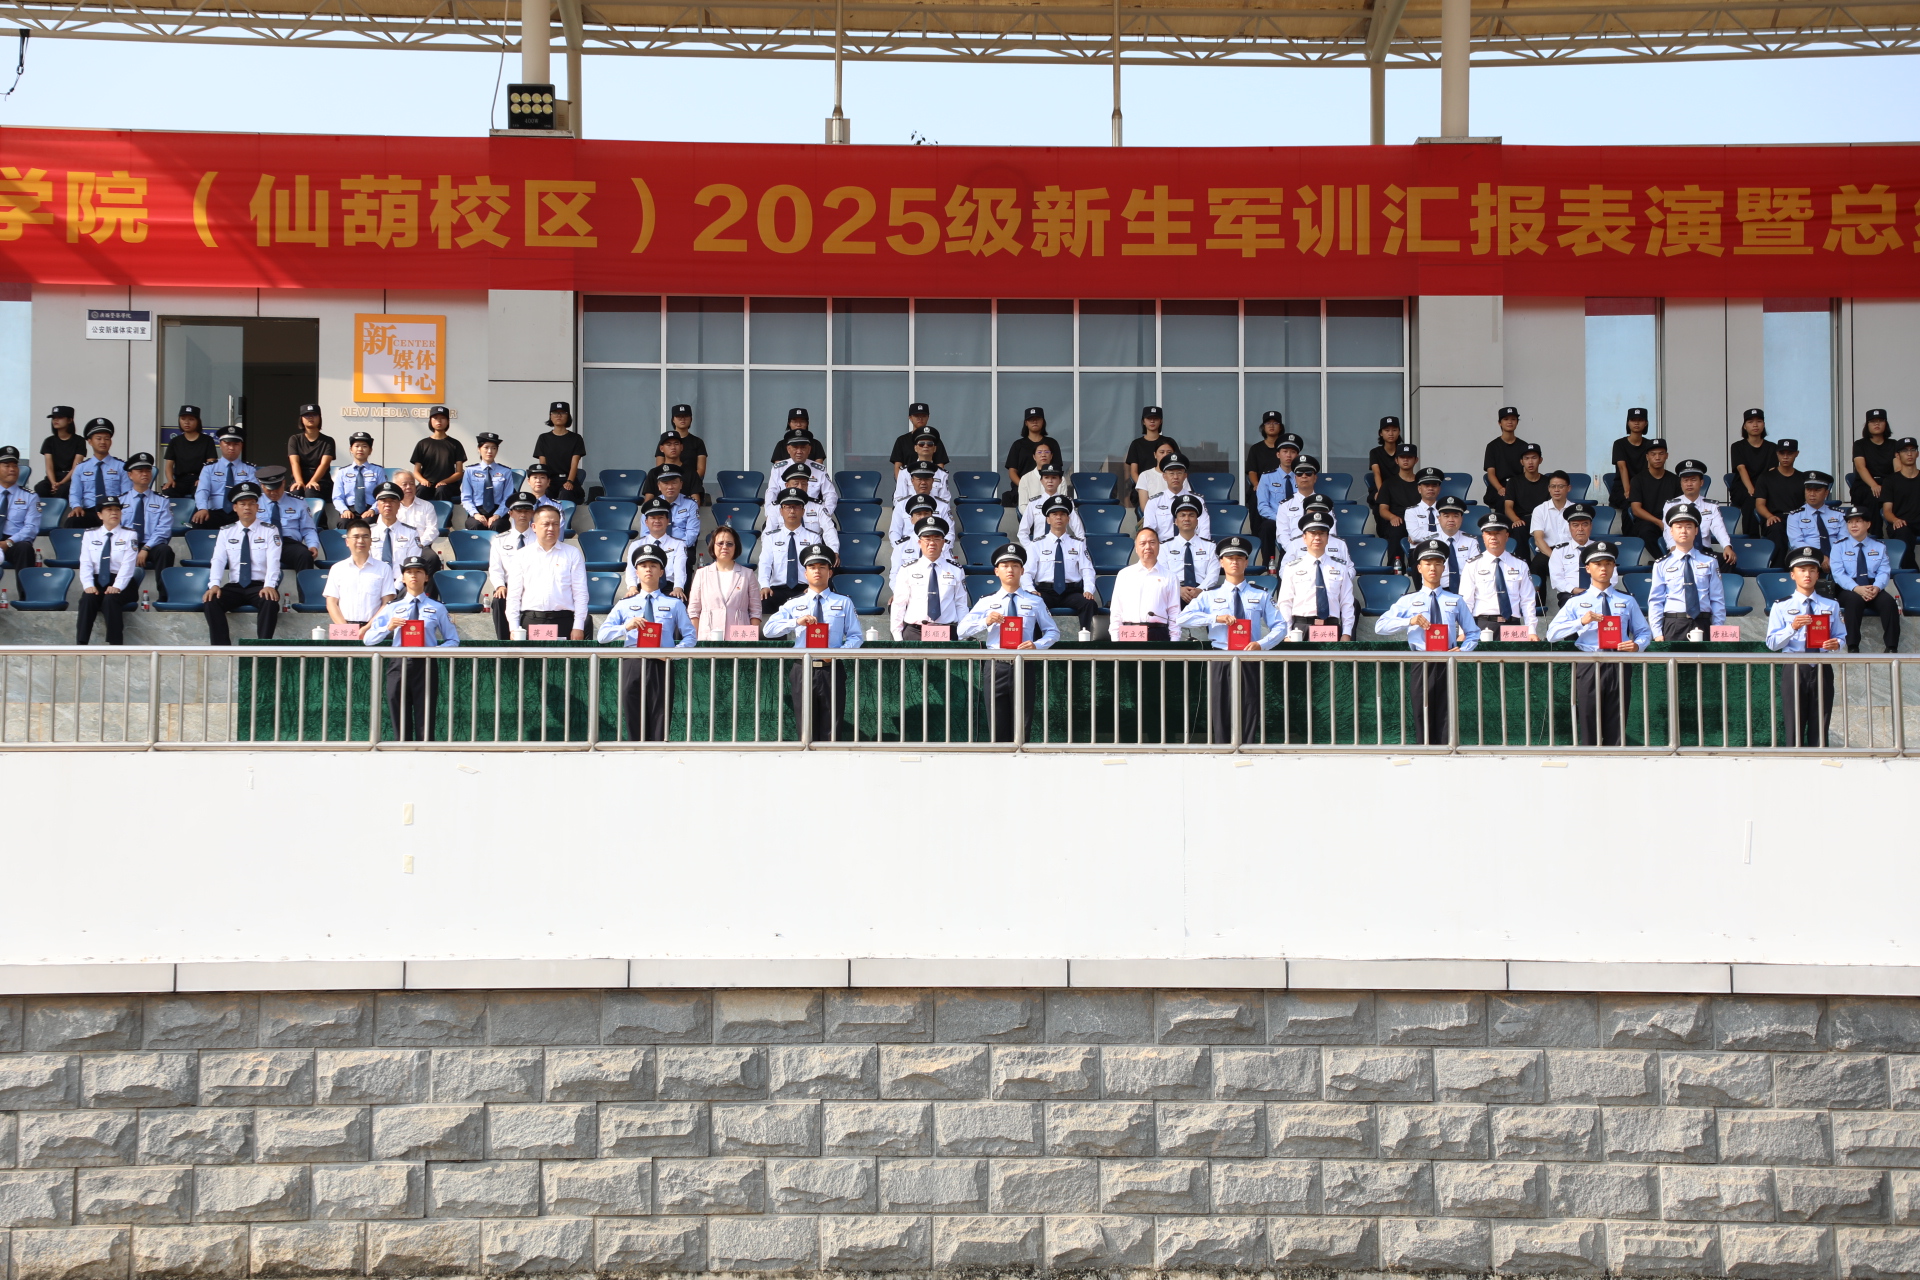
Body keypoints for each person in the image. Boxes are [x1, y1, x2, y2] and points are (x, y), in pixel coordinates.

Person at [1373, 537, 1480, 745]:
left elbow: (1473, 632)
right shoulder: (1408, 600)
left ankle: (1448, 752)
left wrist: (1464, 650)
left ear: (1444, 568)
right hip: (1421, 660)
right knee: (1422, 710)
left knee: (1447, 712)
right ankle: (1424, 752)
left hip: (1448, 660)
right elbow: (1380, 626)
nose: (1433, 568)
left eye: (1438, 563)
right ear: (1419, 568)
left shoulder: (1455, 600)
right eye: (1428, 563)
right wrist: (1409, 621)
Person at [1176, 535, 1283, 744]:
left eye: (1239, 558)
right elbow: (1182, 618)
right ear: (1221, 562)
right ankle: (1222, 749)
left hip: (1250, 656)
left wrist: (1262, 644)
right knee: (1220, 706)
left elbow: (1280, 625)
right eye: (1230, 558)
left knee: (1250, 705)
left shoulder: (1260, 594)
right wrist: (1215, 618)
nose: (1234, 562)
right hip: (1221, 657)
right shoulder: (1209, 595)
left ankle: (1248, 747)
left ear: (1246, 562)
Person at [1546, 541, 1653, 746]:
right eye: (1597, 564)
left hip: (1619, 662)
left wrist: (1637, 646)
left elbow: (1644, 632)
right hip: (1590, 662)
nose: (1603, 568)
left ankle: (1615, 758)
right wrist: (1581, 622)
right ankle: (1590, 758)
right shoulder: (1575, 602)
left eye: (1608, 564)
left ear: (1614, 567)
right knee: (1589, 717)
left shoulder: (1627, 600)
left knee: (1617, 717)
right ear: (1588, 568)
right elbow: (1552, 634)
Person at [960, 543, 1059, 739]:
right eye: (1005, 566)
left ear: (1022, 570)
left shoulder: (1035, 601)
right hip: (996, 664)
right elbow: (961, 631)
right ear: (996, 571)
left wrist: (1037, 645)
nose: (1010, 570)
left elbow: (1053, 631)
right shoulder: (987, 601)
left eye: (1015, 565)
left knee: (1023, 720)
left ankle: (1021, 755)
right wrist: (985, 621)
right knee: (996, 721)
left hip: (1024, 662)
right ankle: (998, 756)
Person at [599, 543, 696, 741]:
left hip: (661, 663)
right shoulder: (625, 604)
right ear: (636, 572)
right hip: (633, 662)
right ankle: (634, 752)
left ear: (661, 571)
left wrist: (673, 654)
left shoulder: (674, 603)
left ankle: (658, 753)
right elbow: (602, 636)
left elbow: (690, 636)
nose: (648, 569)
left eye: (653, 565)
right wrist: (626, 627)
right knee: (633, 711)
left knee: (660, 714)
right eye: (643, 566)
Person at [763, 544, 862, 739]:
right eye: (812, 567)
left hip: (831, 668)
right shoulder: (793, 603)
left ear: (830, 572)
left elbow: (856, 636)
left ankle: (830, 756)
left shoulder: (843, 602)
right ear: (805, 573)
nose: (817, 571)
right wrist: (795, 622)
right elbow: (768, 630)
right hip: (803, 668)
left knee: (832, 725)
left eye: (822, 567)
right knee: (805, 725)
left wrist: (837, 654)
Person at [363, 556, 460, 741]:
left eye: (418, 571)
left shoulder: (437, 607)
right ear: (403, 578)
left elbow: (453, 640)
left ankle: (426, 752)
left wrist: (434, 650)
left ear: (426, 577)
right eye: (408, 572)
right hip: (398, 665)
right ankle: (401, 752)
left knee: (425, 716)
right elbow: (368, 640)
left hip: (425, 665)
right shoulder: (392, 607)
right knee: (398, 715)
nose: (413, 575)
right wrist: (388, 628)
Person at [1766, 545, 1846, 747]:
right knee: (1794, 723)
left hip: (1821, 666)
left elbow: (1841, 636)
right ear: (1793, 575)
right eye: (1802, 570)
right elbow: (1772, 643)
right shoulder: (1781, 605)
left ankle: (1819, 761)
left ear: (1818, 574)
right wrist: (1792, 628)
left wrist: (1836, 643)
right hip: (1794, 666)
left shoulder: (1831, 605)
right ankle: (1794, 762)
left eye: (1812, 570)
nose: (1807, 575)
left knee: (1821, 722)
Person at [201, 481, 282, 645]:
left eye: (251, 504)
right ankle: (222, 649)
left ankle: (263, 648)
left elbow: (274, 560)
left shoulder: (270, 530)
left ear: (257, 507)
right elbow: (218, 560)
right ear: (235, 508)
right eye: (242, 504)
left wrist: (270, 585)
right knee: (211, 601)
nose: (247, 508)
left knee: (270, 602)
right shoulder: (226, 531)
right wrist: (214, 584)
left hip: (259, 585)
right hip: (235, 586)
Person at [1270, 511, 1354, 643]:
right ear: (1304, 537)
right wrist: (1286, 633)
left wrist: (1346, 633)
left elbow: (1347, 602)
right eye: (1313, 533)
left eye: (1321, 533)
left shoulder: (1340, 567)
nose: (1317, 538)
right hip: (1301, 628)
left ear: (1327, 537)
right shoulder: (1292, 567)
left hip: (1331, 627)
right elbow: (1285, 603)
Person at [507, 505, 588, 640]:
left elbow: (580, 592)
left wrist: (578, 626)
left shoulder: (572, 553)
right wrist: (514, 627)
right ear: (534, 527)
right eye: (546, 524)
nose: (551, 528)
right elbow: (514, 595)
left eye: (555, 524)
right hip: (532, 620)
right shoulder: (522, 555)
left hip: (564, 621)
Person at [1646, 503, 1726, 641]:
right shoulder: (1661, 564)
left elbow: (1717, 599)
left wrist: (1717, 629)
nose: (1683, 531)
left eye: (1688, 527)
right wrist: (1657, 632)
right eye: (1679, 527)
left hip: (1703, 622)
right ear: (1671, 531)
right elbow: (1656, 601)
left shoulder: (1710, 562)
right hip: (1673, 624)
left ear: (1696, 531)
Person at [1458, 512, 1539, 639]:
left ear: (1507, 536)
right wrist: (1463, 632)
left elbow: (1528, 601)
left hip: (1513, 625)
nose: (1493, 537)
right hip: (1483, 625)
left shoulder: (1520, 564)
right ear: (1483, 537)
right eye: (1489, 534)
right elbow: (1466, 602)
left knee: (1514, 654)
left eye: (1497, 533)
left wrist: (1531, 630)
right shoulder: (1472, 565)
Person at [1831, 504, 1900, 654]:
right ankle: (1853, 646)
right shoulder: (1838, 546)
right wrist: (1856, 588)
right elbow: (1838, 573)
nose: (1853, 525)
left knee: (1888, 603)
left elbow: (1884, 571)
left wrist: (1877, 587)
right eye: (1850, 522)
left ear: (1868, 524)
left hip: (1872, 586)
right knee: (1854, 601)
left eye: (1858, 521)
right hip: (1848, 588)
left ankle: (1891, 647)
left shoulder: (1879, 546)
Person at [1026, 496, 1099, 633]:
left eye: (1062, 514)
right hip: (1045, 591)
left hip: (1071, 592)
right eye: (1054, 514)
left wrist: (1088, 590)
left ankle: (1086, 641)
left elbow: (1087, 570)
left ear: (1068, 519)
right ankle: (1035, 641)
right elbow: (1027, 572)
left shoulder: (1078, 543)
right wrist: (1031, 590)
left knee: (1089, 604)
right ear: (1048, 519)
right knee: (1032, 604)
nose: (1058, 517)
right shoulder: (1036, 544)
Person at [888, 517, 969, 640]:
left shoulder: (956, 570)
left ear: (943, 542)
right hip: (915, 632)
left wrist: (962, 635)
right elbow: (899, 604)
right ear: (919, 542)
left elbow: (961, 604)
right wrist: (897, 636)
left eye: (936, 539)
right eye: (927, 539)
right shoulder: (907, 569)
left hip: (947, 631)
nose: (932, 543)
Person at [761, 488, 837, 614]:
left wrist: (814, 587)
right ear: (781, 511)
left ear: (803, 511)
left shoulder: (813, 537)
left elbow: (816, 566)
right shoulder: (771, 537)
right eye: (788, 507)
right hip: (777, 589)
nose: (792, 511)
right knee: (763, 601)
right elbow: (765, 563)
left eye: (796, 507)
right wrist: (765, 586)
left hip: (804, 589)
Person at [74, 494, 137, 646]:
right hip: (97, 580)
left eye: (117, 509)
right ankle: (81, 644)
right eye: (109, 510)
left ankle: (115, 644)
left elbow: (128, 565)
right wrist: (88, 585)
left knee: (111, 599)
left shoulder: (130, 534)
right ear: (100, 515)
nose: (114, 513)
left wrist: (117, 586)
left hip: (121, 581)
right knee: (87, 599)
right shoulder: (90, 534)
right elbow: (85, 562)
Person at [687, 526, 762, 640]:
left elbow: (755, 610)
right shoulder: (701, 574)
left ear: (736, 547)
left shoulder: (747, 574)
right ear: (713, 546)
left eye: (729, 544)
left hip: (739, 638)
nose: (725, 547)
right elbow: (693, 611)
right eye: (720, 543)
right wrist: (695, 639)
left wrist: (751, 640)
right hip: (708, 636)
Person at [482, 493, 538, 639]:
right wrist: (500, 586)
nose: (523, 514)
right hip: (509, 586)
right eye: (519, 511)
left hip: (534, 585)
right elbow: (495, 568)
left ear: (532, 513)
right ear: (511, 513)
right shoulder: (500, 540)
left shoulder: (540, 538)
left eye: (527, 511)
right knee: (499, 600)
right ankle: (504, 643)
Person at [324, 520, 396, 634]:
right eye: (356, 537)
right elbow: (331, 603)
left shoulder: (384, 568)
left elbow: (387, 603)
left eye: (365, 537)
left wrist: (366, 629)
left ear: (371, 541)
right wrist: (347, 630)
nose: (361, 541)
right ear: (347, 541)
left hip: (373, 629)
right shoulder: (337, 569)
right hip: (343, 629)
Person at [1110, 527, 1180, 640]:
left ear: (1159, 545)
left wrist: (1175, 639)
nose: (1148, 547)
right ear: (1136, 548)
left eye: (1152, 542)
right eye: (1143, 543)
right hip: (1129, 632)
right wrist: (1115, 638)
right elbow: (1116, 610)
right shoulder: (1124, 575)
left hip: (1158, 632)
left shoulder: (1170, 577)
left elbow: (1174, 612)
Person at [120, 454, 174, 599]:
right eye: (140, 471)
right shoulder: (120, 501)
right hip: (127, 545)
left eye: (148, 471)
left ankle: (165, 597)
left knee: (165, 551)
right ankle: (123, 595)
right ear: (130, 475)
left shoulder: (162, 500)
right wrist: (132, 548)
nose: (145, 474)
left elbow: (164, 529)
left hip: (151, 545)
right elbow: (116, 529)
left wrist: (146, 548)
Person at [1660, 460, 1736, 563]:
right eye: (1685, 480)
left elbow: (1719, 528)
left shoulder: (1711, 505)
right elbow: (1668, 530)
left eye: (1693, 480)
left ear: (1701, 482)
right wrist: (1673, 548)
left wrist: (1727, 546)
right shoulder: (1671, 505)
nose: (1689, 484)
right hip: (1680, 549)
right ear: (1681, 483)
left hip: (1704, 551)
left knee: (1728, 561)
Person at [255, 467, 322, 574]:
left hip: (287, 544)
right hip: (261, 542)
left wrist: (312, 545)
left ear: (283, 483)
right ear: (262, 486)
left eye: (276, 488)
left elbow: (308, 529)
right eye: (269, 489)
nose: (273, 492)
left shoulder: (298, 502)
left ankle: (305, 585)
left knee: (304, 555)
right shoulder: (254, 503)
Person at [1253, 431, 1305, 565]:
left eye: (1293, 452)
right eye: (1285, 451)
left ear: (1298, 455)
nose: (1289, 455)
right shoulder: (1267, 477)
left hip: (1298, 520)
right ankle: (1267, 565)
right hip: (1274, 520)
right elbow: (1263, 506)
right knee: (1266, 527)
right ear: (1278, 454)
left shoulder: (1303, 477)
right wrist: (1281, 520)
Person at [64, 419, 127, 528]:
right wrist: (76, 506)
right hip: (90, 511)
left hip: (114, 511)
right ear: (90, 441)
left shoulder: (121, 467)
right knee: (72, 522)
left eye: (107, 438)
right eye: (98, 438)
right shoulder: (81, 468)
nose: (103, 442)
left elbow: (126, 494)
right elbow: (75, 493)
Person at [1755, 438, 1807, 564]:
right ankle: (1778, 569)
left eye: (1789, 453)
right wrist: (1769, 516)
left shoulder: (1803, 478)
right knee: (1776, 529)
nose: (1785, 457)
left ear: (1796, 454)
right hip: (1776, 518)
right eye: (1782, 453)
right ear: (1777, 454)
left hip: (1798, 519)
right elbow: (1759, 504)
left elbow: (1808, 503)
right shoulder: (1766, 477)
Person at [192, 430, 258, 528]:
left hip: (239, 512)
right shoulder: (209, 468)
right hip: (214, 512)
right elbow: (202, 490)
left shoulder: (249, 469)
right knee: (198, 521)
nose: (231, 448)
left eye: (236, 444)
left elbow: (255, 493)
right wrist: (202, 508)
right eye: (227, 443)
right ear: (220, 445)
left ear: (241, 446)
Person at [626, 499, 689, 599]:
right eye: (653, 518)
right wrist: (632, 588)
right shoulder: (636, 545)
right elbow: (631, 569)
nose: (657, 521)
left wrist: (678, 588)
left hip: (669, 588)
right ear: (646, 522)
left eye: (661, 517)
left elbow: (680, 568)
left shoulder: (678, 544)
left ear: (668, 521)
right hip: (642, 587)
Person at [1162, 495, 1218, 605]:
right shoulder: (1165, 547)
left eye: (1191, 515)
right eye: (1182, 515)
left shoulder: (1210, 546)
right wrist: (1178, 589)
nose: (1187, 519)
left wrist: (1200, 590)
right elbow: (1162, 574)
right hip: (1173, 595)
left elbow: (1213, 574)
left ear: (1197, 521)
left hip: (1202, 594)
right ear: (1176, 521)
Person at [1141, 454, 1209, 542]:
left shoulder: (1197, 500)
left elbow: (1204, 529)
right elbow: (1149, 532)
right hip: (1162, 547)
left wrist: (1202, 547)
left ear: (1185, 476)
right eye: (1171, 473)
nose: (1175, 477)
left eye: (1179, 473)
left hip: (1191, 546)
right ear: (1164, 476)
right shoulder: (1154, 501)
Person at [1625, 438, 1680, 546]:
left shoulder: (1675, 480)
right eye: (1653, 454)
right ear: (1647, 457)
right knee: (1646, 531)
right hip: (1647, 521)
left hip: (1670, 520)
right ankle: (1664, 556)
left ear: (1666, 456)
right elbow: (1636, 510)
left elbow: (1679, 505)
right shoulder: (1637, 480)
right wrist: (1658, 522)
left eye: (1661, 454)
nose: (1657, 457)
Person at [1785, 473, 1846, 569]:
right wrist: (1819, 557)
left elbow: (1844, 540)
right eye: (1808, 490)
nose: (1812, 494)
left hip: (1837, 558)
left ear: (1826, 493)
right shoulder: (1795, 516)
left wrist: (1834, 558)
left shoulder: (1839, 515)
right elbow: (1796, 542)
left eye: (1817, 490)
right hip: (1807, 557)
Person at [1730, 408, 1775, 537]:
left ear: (1764, 424)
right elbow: (1741, 468)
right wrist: (1751, 489)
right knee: (1751, 501)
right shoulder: (1737, 446)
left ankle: (1771, 537)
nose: (1755, 425)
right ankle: (1751, 541)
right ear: (1745, 426)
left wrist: (1763, 490)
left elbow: (1772, 471)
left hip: (1765, 485)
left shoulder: (1772, 447)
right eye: (1750, 422)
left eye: (1759, 421)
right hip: (1743, 486)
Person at [366, 482, 428, 576]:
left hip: (401, 581)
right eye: (384, 501)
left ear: (399, 505)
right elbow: (365, 562)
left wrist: (397, 584)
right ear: (377, 505)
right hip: (375, 580)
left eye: (392, 501)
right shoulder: (369, 533)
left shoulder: (411, 533)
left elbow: (412, 565)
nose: (388, 504)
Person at [1851, 408, 1898, 531]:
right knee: (1873, 496)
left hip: (1887, 483)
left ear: (1886, 424)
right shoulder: (1860, 444)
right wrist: (1873, 485)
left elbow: (1898, 468)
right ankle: (1874, 534)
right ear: (1867, 425)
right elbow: (1860, 467)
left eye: (1880, 421)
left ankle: (1897, 531)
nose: (1877, 424)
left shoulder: (1894, 444)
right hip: (1865, 484)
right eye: (1872, 421)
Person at [772, 430, 840, 513]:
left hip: (813, 512)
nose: (799, 452)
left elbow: (830, 494)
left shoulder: (819, 469)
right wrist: (770, 513)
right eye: (795, 447)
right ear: (788, 449)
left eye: (803, 447)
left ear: (809, 449)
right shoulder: (778, 468)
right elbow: (771, 492)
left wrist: (826, 513)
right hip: (787, 513)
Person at [408, 407, 467, 503]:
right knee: (421, 490)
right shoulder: (422, 444)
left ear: (448, 421)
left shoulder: (455, 444)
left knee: (441, 490)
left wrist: (445, 481)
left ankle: (444, 513)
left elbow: (459, 473)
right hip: (426, 484)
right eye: (435, 418)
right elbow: (416, 471)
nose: (439, 421)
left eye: (442, 418)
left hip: (448, 485)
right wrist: (423, 481)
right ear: (430, 421)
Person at [1527, 472, 1578, 583]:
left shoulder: (1575, 510)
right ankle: (1539, 595)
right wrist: (1555, 558)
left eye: (1561, 486)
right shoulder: (1540, 510)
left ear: (1568, 488)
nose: (1556, 490)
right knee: (1536, 566)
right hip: (1548, 551)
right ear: (1549, 488)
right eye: (1553, 486)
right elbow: (1538, 540)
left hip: (1572, 550)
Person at [1377, 448, 1426, 561]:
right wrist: (1392, 517)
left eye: (1409, 457)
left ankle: (1418, 567)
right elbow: (1382, 509)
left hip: (1419, 520)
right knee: (1395, 532)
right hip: (1398, 520)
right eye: (1402, 457)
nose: (1406, 460)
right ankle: (1396, 568)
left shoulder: (1422, 483)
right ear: (1396, 460)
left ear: (1416, 460)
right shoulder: (1388, 483)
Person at [533, 401, 586, 504]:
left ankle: (562, 516)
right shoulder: (543, 438)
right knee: (543, 495)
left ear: (568, 416)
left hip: (568, 479)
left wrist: (570, 481)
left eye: (563, 412)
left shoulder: (576, 438)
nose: (559, 415)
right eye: (555, 413)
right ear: (550, 416)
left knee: (565, 493)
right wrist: (545, 481)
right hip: (551, 480)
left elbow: (574, 463)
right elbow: (543, 464)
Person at [1004, 407, 1061, 504]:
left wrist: (1047, 486)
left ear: (1043, 421)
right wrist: (1024, 486)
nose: (1034, 422)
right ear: (1026, 423)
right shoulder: (1018, 445)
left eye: (1037, 419)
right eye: (1031, 419)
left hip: (1048, 488)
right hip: (1022, 488)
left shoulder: (1052, 443)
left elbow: (1057, 469)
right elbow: (1012, 471)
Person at [461, 433, 516, 532]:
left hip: (499, 511)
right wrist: (475, 514)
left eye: (493, 448)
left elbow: (508, 497)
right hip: (477, 511)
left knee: (497, 526)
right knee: (475, 525)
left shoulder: (505, 471)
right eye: (486, 447)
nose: (489, 451)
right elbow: (466, 497)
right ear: (479, 449)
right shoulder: (470, 471)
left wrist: (497, 515)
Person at [1547, 503, 1600, 607]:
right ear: (1569, 527)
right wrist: (1574, 590)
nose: (1580, 529)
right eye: (1575, 525)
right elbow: (1556, 579)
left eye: (1585, 524)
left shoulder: (1600, 550)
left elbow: (1612, 576)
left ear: (1591, 526)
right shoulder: (1559, 551)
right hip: (1570, 594)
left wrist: (1596, 591)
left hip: (1598, 593)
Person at [286, 405, 336, 512]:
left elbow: (324, 464)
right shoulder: (294, 439)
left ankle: (318, 521)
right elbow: (294, 463)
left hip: (321, 481)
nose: (310, 417)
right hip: (299, 478)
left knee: (311, 491)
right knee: (296, 491)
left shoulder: (328, 441)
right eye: (306, 415)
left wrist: (313, 481)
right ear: (301, 419)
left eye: (314, 414)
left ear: (320, 417)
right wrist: (299, 481)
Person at [1274, 456, 1326, 559]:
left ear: (1315, 478)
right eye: (1299, 473)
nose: (1304, 476)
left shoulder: (1325, 505)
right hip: (1291, 554)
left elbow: (1330, 532)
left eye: (1308, 473)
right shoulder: (1285, 505)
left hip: (1319, 553)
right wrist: (1295, 551)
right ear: (1295, 478)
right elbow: (1282, 534)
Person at [161, 405, 217, 500]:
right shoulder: (175, 442)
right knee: (167, 491)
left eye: (191, 419)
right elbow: (169, 465)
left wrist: (203, 479)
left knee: (201, 492)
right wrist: (170, 480)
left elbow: (211, 464)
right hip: (180, 480)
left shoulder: (207, 440)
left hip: (199, 479)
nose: (186, 422)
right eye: (183, 419)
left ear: (198, 421)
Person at [1017, 463, 1084, 542]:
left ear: (1060, 481)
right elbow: (1022, 532)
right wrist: (1030, 547)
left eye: (1054, 477)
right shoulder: (1034, 503)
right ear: (1041, 480)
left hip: (1061, 545)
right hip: (1039, 546)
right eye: (1046, 477)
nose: (1050, 481)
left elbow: (1078, 529)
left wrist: (1079, 546)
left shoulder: (1067, 502)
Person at [1123, 406, 1177, 503]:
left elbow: (1177, 466)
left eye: (1155, 418)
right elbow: (1134, 472)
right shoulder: (1136, 444)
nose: (1152, 421)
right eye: (1149, 418)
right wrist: (1145, 487)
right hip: (1144, 488)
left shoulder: (1168, 443)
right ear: (1143, 421)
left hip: (1167, 487)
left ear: (1161, 421)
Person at [1881, 436, 1920, 569]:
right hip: (1902, 524)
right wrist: (1895, 520)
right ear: (1897, 455)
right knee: (1903, 534)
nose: (1909, 454)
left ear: (1917, 453)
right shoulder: (1890, 481)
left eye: (1912, 450)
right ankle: (1913, 573)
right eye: (1904, 451)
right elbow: (1887, 510)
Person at [1502, 442, 1552, 546]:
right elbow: (1508, 507)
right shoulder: (1513, 482)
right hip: (1522, 519)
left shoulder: (1548, 482)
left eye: (1534, 458)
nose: (1530, 462)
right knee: (1518, 529)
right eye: (1526, 458)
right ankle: (1522, 557)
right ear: (1521, 461)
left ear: (1540, 460)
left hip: (1543, 520)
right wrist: (1516, 520)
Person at [1432, 496, 1481, 595]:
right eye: (1446, 516)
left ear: (1461, 518)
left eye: (1455, 516)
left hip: (1466, 590)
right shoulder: (1431, 542)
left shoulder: (1471, 541)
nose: (1451, 520)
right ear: (1439, 518)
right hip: (1439, 591)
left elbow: (1475, 570)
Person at [333, 432, 386, 523]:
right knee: (343, 522)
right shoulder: (343, 472)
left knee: (368, 522)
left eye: (364, 446)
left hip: (370, 510)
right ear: (351, 449)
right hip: (349, 510)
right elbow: (337, 497)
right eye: (357, 446)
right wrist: (344, 510)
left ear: (370, 450)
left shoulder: (378, 471)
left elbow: (382, 495)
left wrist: (373, 510)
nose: (360, 449)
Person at [890, 493, 950, 573]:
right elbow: (895, 574)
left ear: (932, 516)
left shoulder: (943, 544)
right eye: (918, 514)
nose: (923, 517)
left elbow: (949, 571)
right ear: (911, 519)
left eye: (926, 513)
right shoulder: (901, 546)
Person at [1482, 406, 1527, 509]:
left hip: (1518, 485)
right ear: (1500, 423)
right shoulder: (1492, 446)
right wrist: (1500, 488)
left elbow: (1526, 472)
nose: (1510, 422)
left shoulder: (1523, 446)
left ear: (1517, 422)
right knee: (1503, 501)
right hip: (1499, 485)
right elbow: (1491, 474)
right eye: (1506, 419)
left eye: (1513, 419)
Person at [661, 404, 709, 498]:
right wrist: (673, 482)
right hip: (668, 484)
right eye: (679, 416)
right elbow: (660, 467)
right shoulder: (664, 441)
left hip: (691, 485)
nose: (682, 419)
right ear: (673, 419)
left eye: (686, 416)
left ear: (691, 419)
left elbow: (701, 469)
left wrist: (686, 481)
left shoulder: (698, 442)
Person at [36, 406, 84, 502]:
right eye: (54, 418)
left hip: (70, 478)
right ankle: (44, 511)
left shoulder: (79, 441)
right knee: (40, 488)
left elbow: (75, 468)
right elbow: (49, 467)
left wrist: (61, 483)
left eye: (60, 417)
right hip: (54, 477)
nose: (55, 420)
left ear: (70, 420)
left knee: (64, 489)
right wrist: (53, 483)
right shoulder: (49, 441)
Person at [1611, 407, 1653, 512]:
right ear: (1628, 423)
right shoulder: (1619, 444)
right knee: (1629, 504)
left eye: (1640, 420)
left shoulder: (1649, 445)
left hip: (1644, 485)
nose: (1636, 423)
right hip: (1623, 486)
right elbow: (1622, 468)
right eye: (1633, 420)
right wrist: (1628, 491)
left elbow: (1651, 468)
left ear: (1646, 423)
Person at [888, 431, 947, 507]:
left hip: (935, 513)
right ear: (915, 448)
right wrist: (915, 512)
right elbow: (898, 500)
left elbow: (945, 501)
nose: (925, 446)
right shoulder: (905, 472)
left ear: (935, 448)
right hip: (909, 512)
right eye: (921, 444)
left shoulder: (942, 474)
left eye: (930, 444)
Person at [644, 433, 705, 504]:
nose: (673, 447)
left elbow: (696, 499)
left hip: (685, 510)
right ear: (661, 448)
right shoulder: (654, 473)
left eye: (676, 444)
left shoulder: (691, 472)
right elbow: (648, 499)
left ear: (681, 447)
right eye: (668, 444)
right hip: (660, 510)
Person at [885, 404, 941, 476]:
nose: (920, 418)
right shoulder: (901, 440)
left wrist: (936, 480)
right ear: (910, 418)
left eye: (923, 416)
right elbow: (897, 466)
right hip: (907, 478)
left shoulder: (935, 439)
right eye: (916, 416)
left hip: (930, 479)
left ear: (928, 417)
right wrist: (901, 481)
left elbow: (940, 464)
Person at [650, 468, 701, 544]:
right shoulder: (651, 505)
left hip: (683, 547)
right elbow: (645, 533)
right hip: (657, 548)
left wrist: (676, 548)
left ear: (681, 484)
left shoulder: (691, 504)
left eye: (674, 483)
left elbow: (692, 534)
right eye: (666, 483)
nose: (670, 487)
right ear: (659, 486)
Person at [1248, 411, 1289, 501]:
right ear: (1263, 427)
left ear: (1280, 427)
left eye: (1275, 423)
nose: (1271, 425)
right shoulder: (1255, 448)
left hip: (1283, 487)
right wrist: (1257, 485)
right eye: (1268, 423)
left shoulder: (1286, 448)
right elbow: (1252, 471)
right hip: (1262, 487)